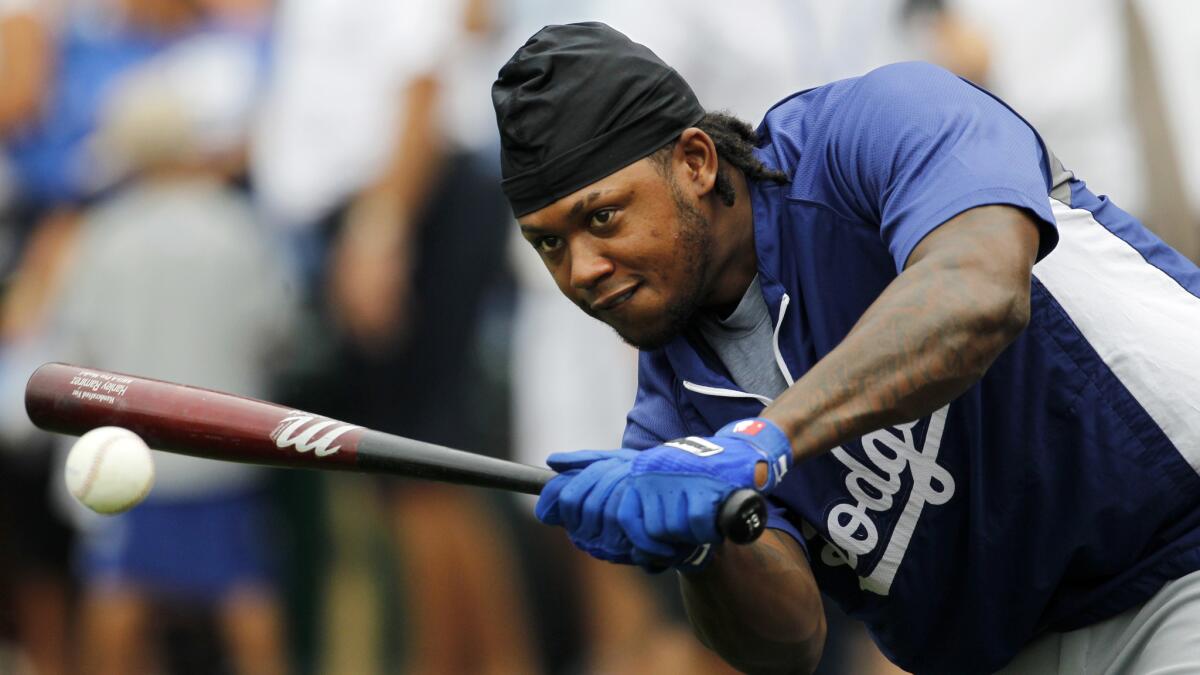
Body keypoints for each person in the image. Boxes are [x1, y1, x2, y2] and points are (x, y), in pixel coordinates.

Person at [491, 21, 1200, 675]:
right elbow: (790, 640)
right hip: (1013, 653)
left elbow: (980, 292)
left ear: (697, 163)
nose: (579, 269)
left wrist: (765, 439)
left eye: (603, 216)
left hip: (1179, 550)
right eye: (550, 242)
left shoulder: (881, 123)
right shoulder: (671, 409)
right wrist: (703, 546)